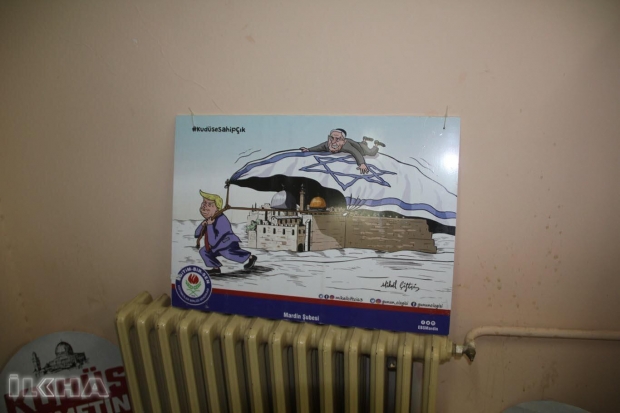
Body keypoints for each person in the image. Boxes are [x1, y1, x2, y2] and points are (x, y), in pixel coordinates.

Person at [195, 190, 257, 274]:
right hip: (217, 245)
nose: (204, 206)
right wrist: (202, 225)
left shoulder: (221, 220)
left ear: (217, 209)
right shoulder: (210, 219)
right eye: (204, 203)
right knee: (204, 251)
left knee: (228, 253)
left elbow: (213, 242)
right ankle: (216, 268)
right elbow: (196, 234)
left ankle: (251, 257)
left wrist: (209, 226)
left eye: (209, 205)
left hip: (227, 243)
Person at [300, 128, 385, 174]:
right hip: (357, 143)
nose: (333, 142)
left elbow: (356, 152)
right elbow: (319, 147)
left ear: (343, 141)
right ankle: (364, 140)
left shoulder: (346, 146)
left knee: (370, 152)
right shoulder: (328, 144)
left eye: (337, 139)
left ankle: (376, 144)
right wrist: (308, 149)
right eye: (331, 138)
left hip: (360, 147)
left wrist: (362, 164)